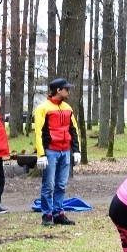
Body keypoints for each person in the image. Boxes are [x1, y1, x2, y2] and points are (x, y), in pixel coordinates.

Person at [34, 78, 81, 227]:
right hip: (50, 151)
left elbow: (73, 130)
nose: (69, 91)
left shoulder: (68, 108)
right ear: (58, 90)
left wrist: (76, 150)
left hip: (65, 151)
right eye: (66, 89)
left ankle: (58, 213)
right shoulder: (43, 108)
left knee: (61, 184)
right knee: (48, 185)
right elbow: (38, 132)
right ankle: (47, 215)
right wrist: (41, 154)